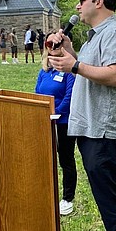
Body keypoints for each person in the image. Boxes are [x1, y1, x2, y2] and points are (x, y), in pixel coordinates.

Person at [47, 0, 116, 231]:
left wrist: (74, 65)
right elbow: (90, 71)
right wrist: (70, 53)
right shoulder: (97, 36)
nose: (77, 5)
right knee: (106, 195)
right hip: (92, 128)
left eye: (82, 0)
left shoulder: (115, 34)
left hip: (106, 131)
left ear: (99, 2)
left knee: (110, 196)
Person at [36, 42, 77, 216]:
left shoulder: (69, 71)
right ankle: (46, 194)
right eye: (49, 43)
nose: (53, 46)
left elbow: (70, 95)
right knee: (46, 158)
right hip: (44, 120)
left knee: (65, 159)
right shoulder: (44, 71)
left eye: (57, 43)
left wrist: (56, 112)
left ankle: (67, 198)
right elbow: (37, 93)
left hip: (63, 122)